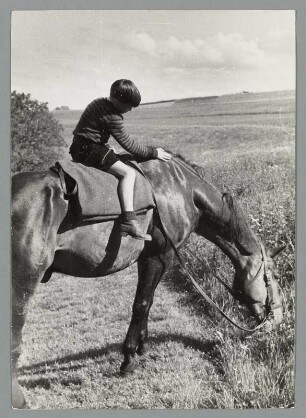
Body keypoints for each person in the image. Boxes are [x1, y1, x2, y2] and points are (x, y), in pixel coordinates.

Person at [69, 79, 172, 240]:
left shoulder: (99, 102)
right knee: (128, 174)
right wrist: (154, 153)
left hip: (79, 146)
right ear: (118, 101)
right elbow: (129, 145)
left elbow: (92, 131)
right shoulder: (113, 116)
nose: (130, 109)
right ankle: (129, 220)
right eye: (129, 105)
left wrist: (105, 146)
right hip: (89, 150)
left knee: (117, 158)